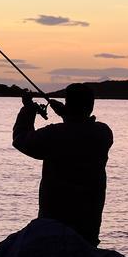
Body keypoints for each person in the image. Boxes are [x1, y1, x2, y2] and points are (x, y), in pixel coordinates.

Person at [12, 83, 113, 246]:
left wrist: (28, 109)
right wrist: (67, 115)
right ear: (91, 106)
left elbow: (21, 140)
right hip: (88, 227)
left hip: (54, 226)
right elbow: (78, 129)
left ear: (69, 104)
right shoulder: (103, 133)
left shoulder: (54, 135)